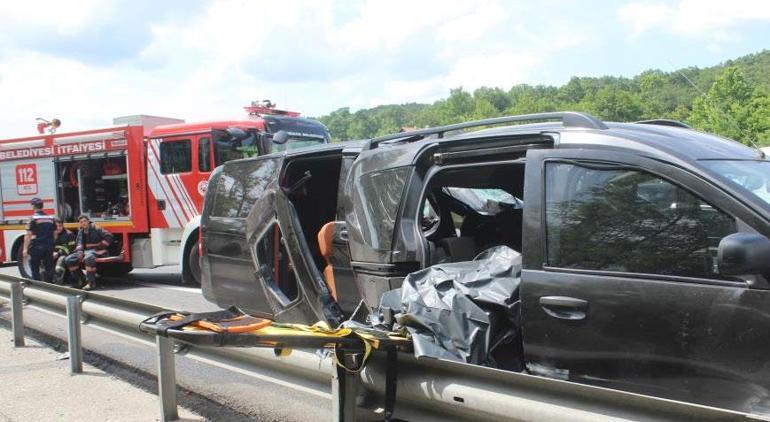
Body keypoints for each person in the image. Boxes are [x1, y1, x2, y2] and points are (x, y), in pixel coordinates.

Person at [65, 215, 113, 291]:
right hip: (85, 251)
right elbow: (79, 243)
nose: (83, 223)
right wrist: (80, 252)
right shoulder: (81, 231)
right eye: (81, 222)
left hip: (96, 250)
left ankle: (91, 283)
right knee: (69, 259)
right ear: (80, 224)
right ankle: (81, 281)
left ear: (88, 221)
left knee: (88, 258)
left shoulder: (96, 228)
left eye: (84, 221)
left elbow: (109, 236)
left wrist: (99, 246)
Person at [22, 197, 55, 282]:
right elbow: (54, 234)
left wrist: (25, 249)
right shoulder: (51, 218)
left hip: (37, 247)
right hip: (49, 246)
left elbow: (28, 235)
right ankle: (50, 285)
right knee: (49, 268)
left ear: (33, 206)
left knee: (35, 268)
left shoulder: (33, 219)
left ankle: (37, 287)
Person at [52, 218, 77, 286]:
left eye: (60, 226)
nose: (58, 228)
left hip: (67, 255)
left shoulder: (69, 234)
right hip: (54, 254)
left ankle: (58, 281)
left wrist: (58, 253)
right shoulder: (51, 234)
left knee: (61, 259)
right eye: (56, 226)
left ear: (63, 226)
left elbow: (70, 248)